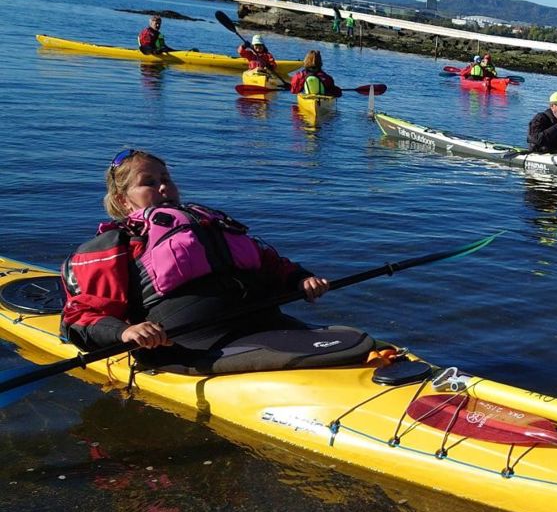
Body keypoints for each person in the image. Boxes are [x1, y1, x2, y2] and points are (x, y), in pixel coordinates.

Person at [60, 150, 372, 376]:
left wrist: (301, 280)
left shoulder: (208, 221)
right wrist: (126, 332)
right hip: (194, 344)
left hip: (264, 323)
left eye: (166, 178)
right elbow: (81, 315)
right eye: (149, 182)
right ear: (122, 200)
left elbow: (270, 263)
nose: (164, 187)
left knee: (361, 345)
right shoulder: (118, 245)